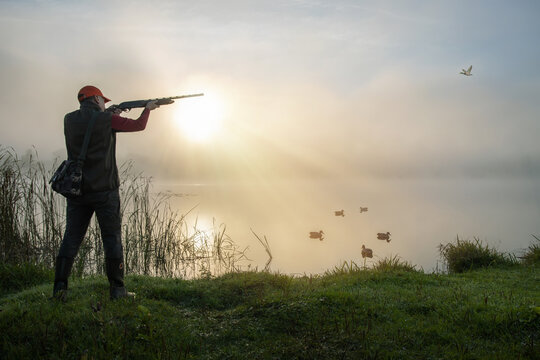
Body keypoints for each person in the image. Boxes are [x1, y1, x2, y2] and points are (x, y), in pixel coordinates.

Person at [53, 85, 159, 300]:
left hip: (77, 189)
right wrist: (148, 108)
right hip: (105, 191)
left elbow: (89, 130)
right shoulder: (106, 120)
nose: (106, 104)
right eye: (104, 101)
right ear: (97, 99)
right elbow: (139, 125)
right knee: (111, 238)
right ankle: (118, 290)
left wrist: (109, 115)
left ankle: (59, 290)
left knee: (71, 239)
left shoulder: (69, 120)